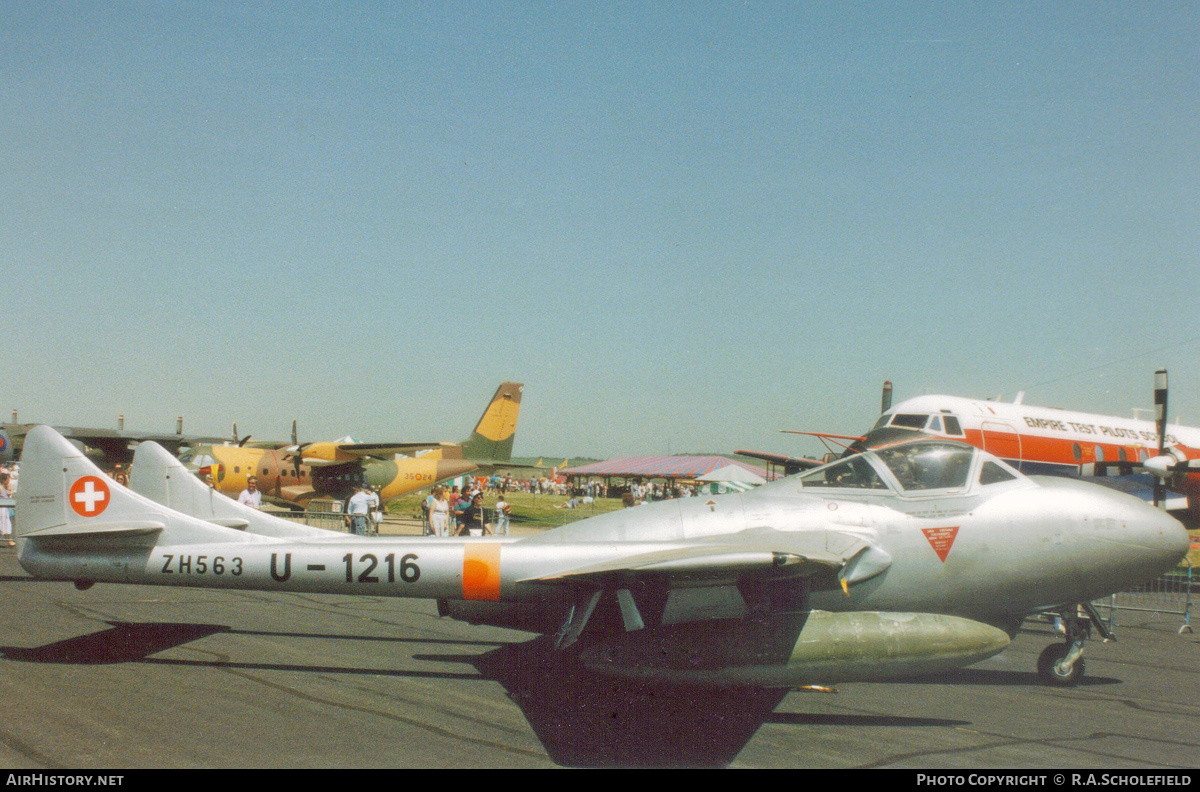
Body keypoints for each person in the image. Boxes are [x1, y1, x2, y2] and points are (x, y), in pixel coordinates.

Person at [0, 471, 13, 546]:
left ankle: (9, 541)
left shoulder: (2, 487)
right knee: (3, 523)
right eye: (7, 479)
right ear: (3, 480)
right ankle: (9, 541)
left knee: (5, 523)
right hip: (1, 509)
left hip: (4, 509)